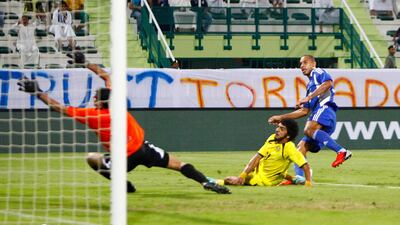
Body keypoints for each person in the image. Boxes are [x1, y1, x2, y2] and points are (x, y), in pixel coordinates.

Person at [17, 52, 230, 195]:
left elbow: (60, 108)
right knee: (179, 164)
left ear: (99, 101)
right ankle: (205, 182)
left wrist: (37, 92)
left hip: (123, 159)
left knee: (92, 158)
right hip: (143, 149)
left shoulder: (94, 116)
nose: (92, 99)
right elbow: (107, 77)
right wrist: (86, 63)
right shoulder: (117, 103)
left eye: (94, 97)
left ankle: (122, 184)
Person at [268, 55, 352, 177]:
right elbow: (303, 111)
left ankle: (341, 151)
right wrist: (281, 118)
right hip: (319, 117)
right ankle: (301, 178)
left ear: (314, 64)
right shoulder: (310, 87)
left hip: (325, 109)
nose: (302, 66)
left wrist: (308, 97)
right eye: (300, 64)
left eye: (305, 62)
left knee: (308, 129)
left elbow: (328, 83)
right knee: (300, 149)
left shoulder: (317, 72)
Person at [223, 119, 312, 187]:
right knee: (244, 175)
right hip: (260, 173)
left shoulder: (289, 147)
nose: (277, 130)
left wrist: (308, 183)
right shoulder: (272, 139)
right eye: (278, 127)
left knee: (228, 180)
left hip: (263, 181)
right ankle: (294, 179)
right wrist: (243, 175)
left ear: (288, 135)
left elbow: (305, 165)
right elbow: (257, 157)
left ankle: (211, 182)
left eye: (282, 129)